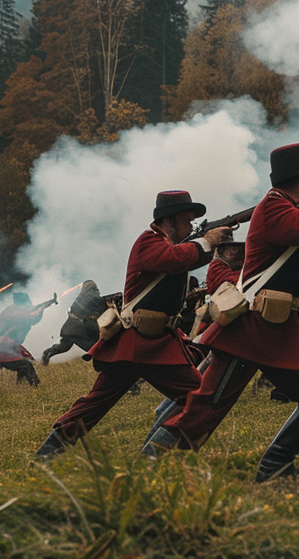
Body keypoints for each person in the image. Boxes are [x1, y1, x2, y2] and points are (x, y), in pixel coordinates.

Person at [143, 142, 299, 481]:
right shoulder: (273, 206)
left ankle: (275, 466)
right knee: (205, 409)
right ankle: (151, 468)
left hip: (280, 330)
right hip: (251, 330)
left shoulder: (285, 207)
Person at [33, 190, 229, 458]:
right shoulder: (149, 242)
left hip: (147, 343)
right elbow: (177, 258)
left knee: (95, 406)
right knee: (200, 401)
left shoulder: (169, 245)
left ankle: (47, 457)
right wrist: (206, 242)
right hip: (142, 343)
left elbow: (188, 256)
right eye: (187, 220)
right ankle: (150, 459)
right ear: (171, 222)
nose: (191, 227)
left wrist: (214, 244)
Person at [0, 291, 57, 386]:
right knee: (26, 365)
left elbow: (29, 316)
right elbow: (29, 319)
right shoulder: (14, 312)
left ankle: (19, 386)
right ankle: (36, 387)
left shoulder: (14, 310)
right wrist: (41, 309)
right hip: (2, 347)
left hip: (0, 346)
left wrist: (44, 306)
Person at [41, 281, 119, 365]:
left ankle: (47, 353)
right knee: (96, 345)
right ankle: (105, 363)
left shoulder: (82, 297)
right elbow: (100, 303)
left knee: (64, 346)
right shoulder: (90, 296)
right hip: (79, 328)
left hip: (70, 328)